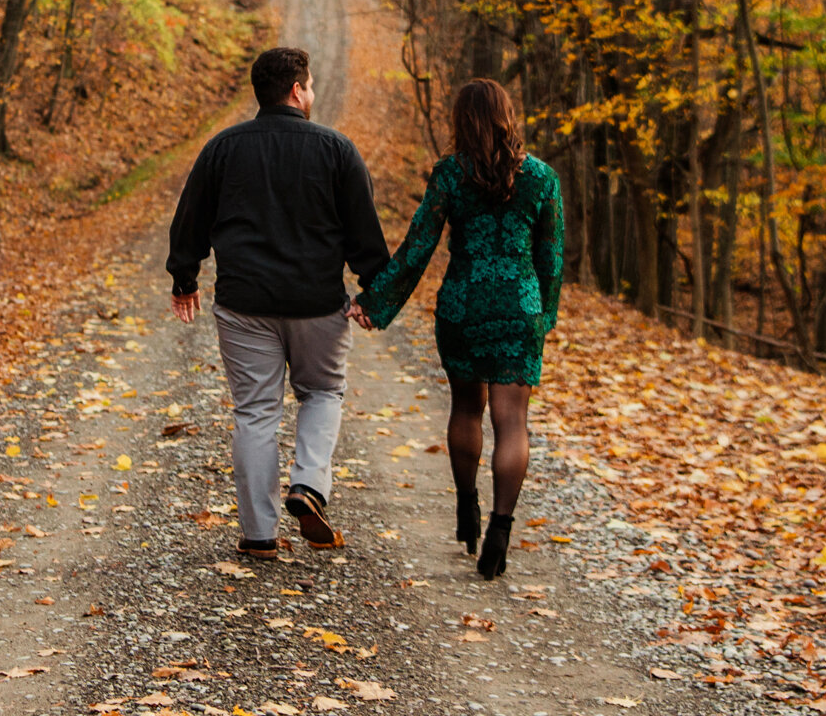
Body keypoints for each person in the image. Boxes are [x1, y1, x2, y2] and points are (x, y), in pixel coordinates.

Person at [168, 46, 391, 560]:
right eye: (310, 86)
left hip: (245, 304)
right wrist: (374, 293)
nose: (311, 94)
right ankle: (309, 484)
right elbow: (364, 234)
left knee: (255, 411)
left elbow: (191, 219)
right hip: (317, 304)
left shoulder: (222, 149)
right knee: (323, 393)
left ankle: (259, 535)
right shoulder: (337, 150)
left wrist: (185, 278)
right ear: (296, 90)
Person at [355, 78, 563, 579]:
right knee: (512, 421)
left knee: (466, 407)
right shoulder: (540, 177)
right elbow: (551, 257)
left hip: (463, 306)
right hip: (519, 307)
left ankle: (466, 507)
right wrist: (545, 317)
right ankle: (500, 528)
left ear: (461, 120)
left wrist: (375, 302)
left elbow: (418, 246)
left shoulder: (449, 175)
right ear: (507, 117)